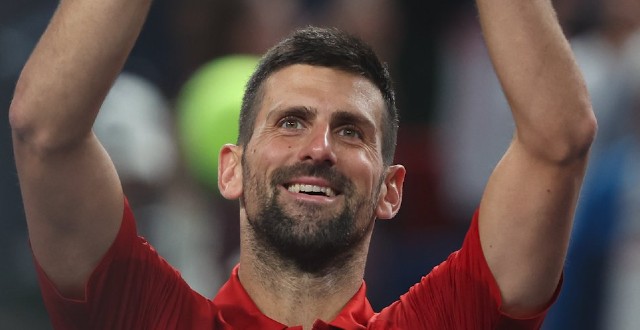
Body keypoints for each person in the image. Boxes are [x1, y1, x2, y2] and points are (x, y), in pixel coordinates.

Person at [8, 0, 596, 329]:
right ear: (231, 168)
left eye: (351, 131)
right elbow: (44, 134)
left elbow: (558, 143)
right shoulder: (146, 318)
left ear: (392, 190)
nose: (318, 148)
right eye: (291, 122)